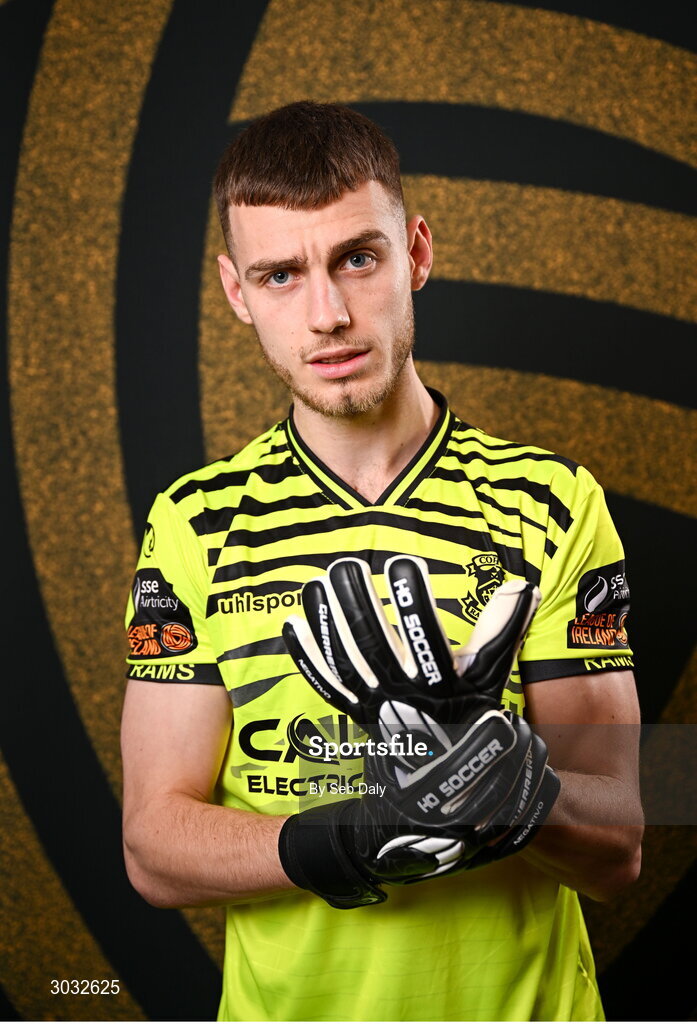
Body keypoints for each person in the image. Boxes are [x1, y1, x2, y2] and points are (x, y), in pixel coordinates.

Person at [120, 101, 643, 1022]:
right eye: (280, 274)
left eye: (356, 258)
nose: (327, 315)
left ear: (416, 253)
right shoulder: (194, 526)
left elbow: (620, 846)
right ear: (236, 292)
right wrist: (340, 840)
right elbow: (153, 847)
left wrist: (501, 777)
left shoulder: (554, 502)